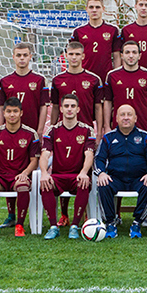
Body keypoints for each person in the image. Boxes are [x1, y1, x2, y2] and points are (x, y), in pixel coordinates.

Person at [0, 42, 49, 229]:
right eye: (18, 55)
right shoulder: (5, 81)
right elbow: (0, 108)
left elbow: (43, 106)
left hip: (31, 135)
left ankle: (34, 214)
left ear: (30, 57)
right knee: (9, 170)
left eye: (25, 55)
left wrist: (40, 130)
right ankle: (11, 215)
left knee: (31, 172)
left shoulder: (39, 80)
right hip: (10, 135)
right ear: (13, 57)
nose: (22, 58)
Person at [50, 41, 104, 227]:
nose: (74, 57)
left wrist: (99, 131)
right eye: (70, 54)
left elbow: (98, 107)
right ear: (66, 56)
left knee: (85, 172)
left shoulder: (94, 79)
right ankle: (64, 214)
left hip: (86, 133)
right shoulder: (58, 80)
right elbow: (55, 107)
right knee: (62, 169)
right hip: (63, 133)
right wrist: (52, 128)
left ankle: (87, 213)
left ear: (83, 56)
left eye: (77, 54)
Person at [0, 97, 40, 237]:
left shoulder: (30, 134)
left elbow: (34, 161)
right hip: (1, 177)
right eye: (8, 111)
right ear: (4, 113)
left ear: (21, 113)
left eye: (15, 111)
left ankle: (19, 225)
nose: (12, 114)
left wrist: (25, 173)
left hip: (19, 177)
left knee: (23, 186)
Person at [40, 94, 96, 240]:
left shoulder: (87, 130)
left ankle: (74, 226)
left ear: (78, 109)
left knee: (84, 183)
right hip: (58, 176)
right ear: (61, 109)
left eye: (72, 106)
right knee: (45, 184)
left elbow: (89, 154)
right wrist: (44, 172)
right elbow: (45, 155)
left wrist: (84, 172)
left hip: (77, 175)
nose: (69, 109)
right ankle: (53, 227)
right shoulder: (52, 130)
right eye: (66, 106)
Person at [95, 105, 147, 239]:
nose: (126, 118)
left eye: (129, 115)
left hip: (139, 178)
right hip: (116, 178)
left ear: (135, 118)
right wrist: (101, 173)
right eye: (122, 115)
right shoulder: (108, 138)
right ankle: (110, 222)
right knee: (103, 185)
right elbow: (99, 158)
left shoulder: (145, 137)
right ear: (116, 118)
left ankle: (137, 222)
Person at [103, 41, 147, 140]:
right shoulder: (112, 76)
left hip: (142, 127)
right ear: (122, 55)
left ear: (139, 56)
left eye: (134, 52)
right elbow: (108, 102)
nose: (131, 55)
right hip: (118, 128)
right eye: (127, 52)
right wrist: (107, 126)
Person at [70, 0, 121, 81]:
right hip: (84, 79)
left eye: (97, 7)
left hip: (106, 78)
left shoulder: (112, 30)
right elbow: (73, 57)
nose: (94, 10)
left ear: (103, 9)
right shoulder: (78, 32)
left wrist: (116, 76)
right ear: (86, 9)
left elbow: (116, 56)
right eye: (91, 7)